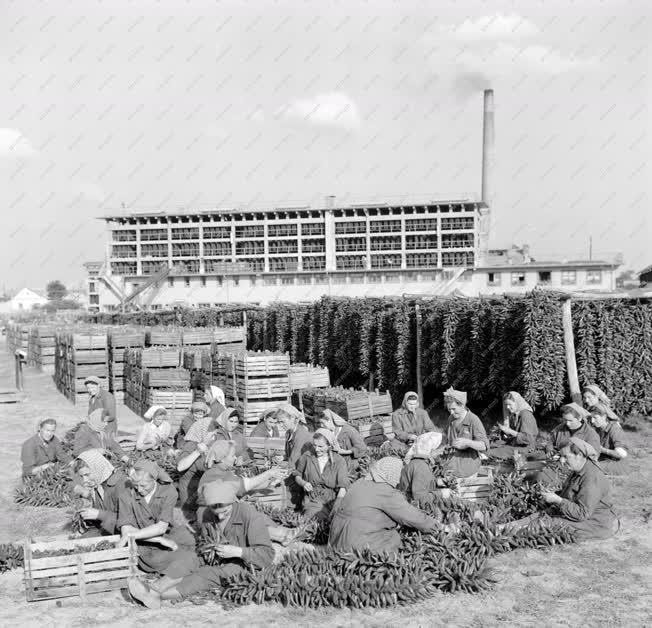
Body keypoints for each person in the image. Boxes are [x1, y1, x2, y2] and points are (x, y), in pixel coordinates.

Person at [127, 481, 274, 608]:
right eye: (215, 511)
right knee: (190, 558)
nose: (220, 516)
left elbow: (267, 555)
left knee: (208, 574)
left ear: (233, 501)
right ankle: (154, 588)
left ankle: (159, 596)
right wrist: (209, 551)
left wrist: (237, 551)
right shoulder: (206, 514)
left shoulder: (250, 515)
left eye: (225, 511)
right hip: (218, 557)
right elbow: (205, 541)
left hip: (244, 564)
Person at [506, 438, 619, 541]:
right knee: (541, 516)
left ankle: (506, 533)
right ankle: (504, 528)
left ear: (579, 455)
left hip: (594, 523)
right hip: (580, 517)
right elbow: (569, 495)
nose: (562, 461)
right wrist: (553, 495)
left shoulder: (591, 478)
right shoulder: (578, 470)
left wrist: (558, 500)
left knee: (547, 525)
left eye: (566, 457)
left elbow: (582, 514)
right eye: (561, 456)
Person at [329, 457, 441, 553]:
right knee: (393, 538)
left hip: (336, 540)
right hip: (357, 545)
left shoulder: (360, 482)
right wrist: (437, 527)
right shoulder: (385, 491)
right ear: (392, 474)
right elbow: (411, 516)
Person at [117, 460, 199, 575]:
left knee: (190, 545)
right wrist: (159, 540)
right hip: (142, 540)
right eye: (136, 486)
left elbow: (161, 528)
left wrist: (130, 535)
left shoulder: (169, 491)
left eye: (144, 486)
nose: (139, 490)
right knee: (156, 560)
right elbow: (126, 530)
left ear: (154, 480)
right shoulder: (127, 493)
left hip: (164, 533)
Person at [293, 429, 350, 520]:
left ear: (329, 446)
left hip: (332, 499)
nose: (316, 449)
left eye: (320, 446)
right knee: (312, 519)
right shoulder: (307, 456)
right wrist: (303, 483)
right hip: (312, 498)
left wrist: (337, 504)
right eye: (314, 445)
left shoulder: (339, 461)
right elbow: (297, 474)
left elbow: (343, 486)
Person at [74, 449, 128, 535]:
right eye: (82, 476)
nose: (84, 480)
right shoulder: (99, 486)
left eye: (87, 475)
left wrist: (100, 514)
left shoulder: (121, 485)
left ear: (98, 469)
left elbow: (130, 521)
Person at [441, 387, 489, 478]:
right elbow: (445, 437)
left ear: (462, 405)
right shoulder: (451, 419)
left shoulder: (473, 420)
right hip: (451, 461)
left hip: (467, 465)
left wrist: (468, 443)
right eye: (449, 410)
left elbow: (484, 445)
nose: (451, 412)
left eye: (454, 409)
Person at [277, 404, 313, 507]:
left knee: (283, 494)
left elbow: (292, 462)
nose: (280, 425)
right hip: (294, 469)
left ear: (292, 418)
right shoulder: (289, 433)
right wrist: (282, 458)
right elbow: (289, 455)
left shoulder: (301, 435)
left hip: (303, 474)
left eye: (282, 421)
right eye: (279, 422)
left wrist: (276, 473)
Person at [490, 392, 539, 459]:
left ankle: (485, 454)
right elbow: (515, 432)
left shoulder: (526, 415)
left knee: (500, 451)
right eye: (506, 405)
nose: (507, 407)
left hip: (527, 448)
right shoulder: (515, 414)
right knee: (494, 443)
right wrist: (503, 432)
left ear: (517, 403)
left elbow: (528, 439)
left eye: (510, 404)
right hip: (517, 443)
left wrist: (510, 431)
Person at [398, 432, 443, 501]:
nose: (441, 453)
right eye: (439, 449)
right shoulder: (421, 466)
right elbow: (419, 498)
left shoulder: (417, 462)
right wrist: (441, 494)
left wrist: (435, 483)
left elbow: (420, 484)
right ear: (431, 449)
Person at [589, 403, 628, 470]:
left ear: (604, 416)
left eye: (595, 417)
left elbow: (622, 454)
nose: (592, 421)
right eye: (591, 418)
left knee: (590, 468)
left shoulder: (614, 429)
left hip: (615, 463)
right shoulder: (598, 428)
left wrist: (603, 450)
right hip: (603, 460)